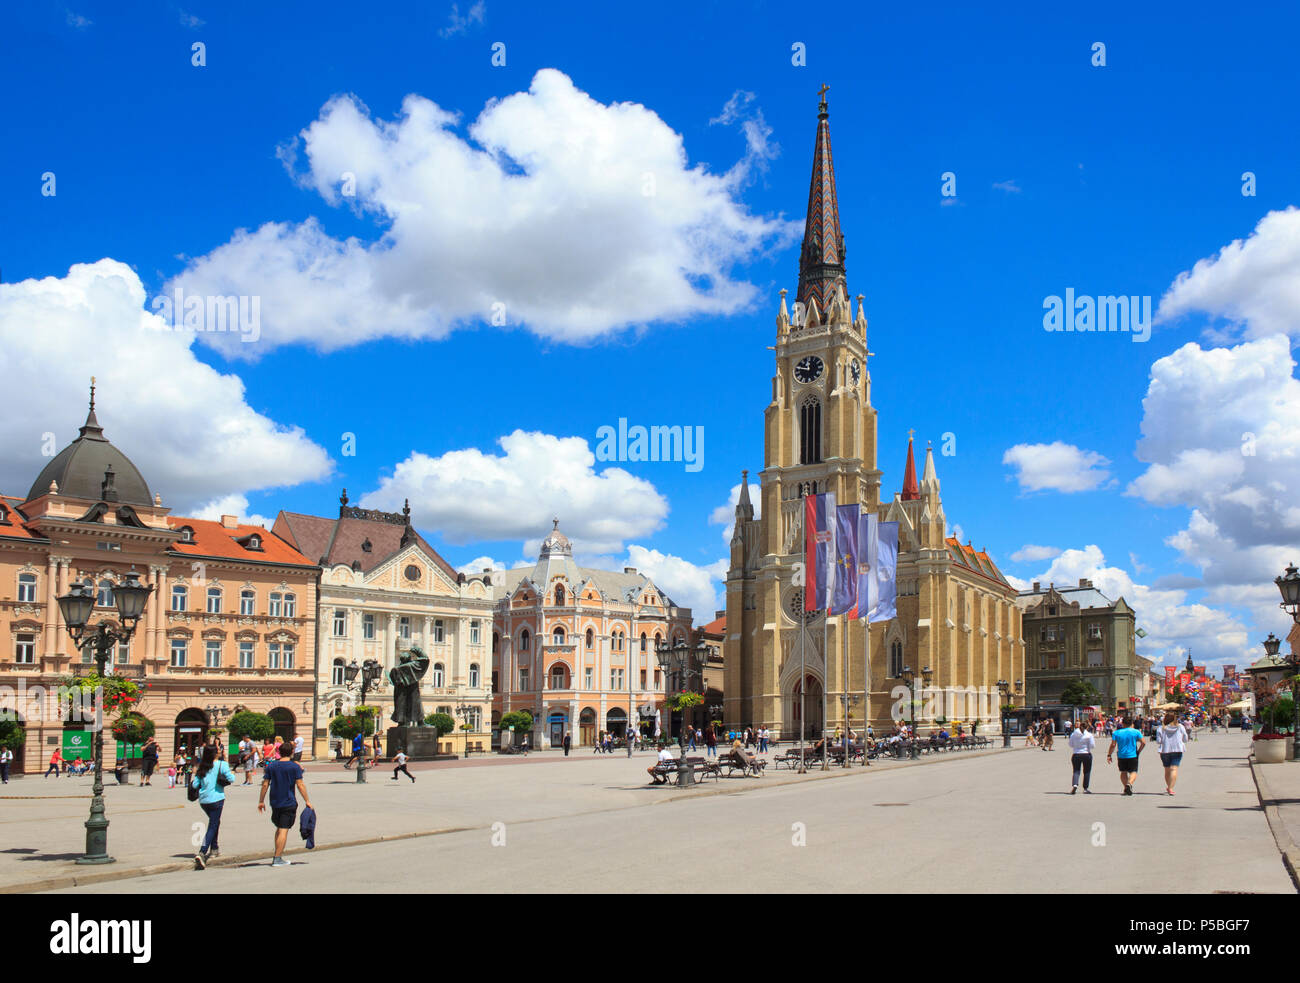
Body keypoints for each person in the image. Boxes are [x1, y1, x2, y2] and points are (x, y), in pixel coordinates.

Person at [258, 740, 315, 867]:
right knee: (284, 829)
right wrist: (307, 800)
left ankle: (277, 853)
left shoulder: (271, 766)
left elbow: (265, 784)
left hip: (274, 802)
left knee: (279, 828)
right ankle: (277, 858)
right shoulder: (294, 767)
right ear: (292, 752)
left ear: (279, 751)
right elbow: (300, 785)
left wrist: (261, 801)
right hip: (288, 802)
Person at [191, 744, 235, 869]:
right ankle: (202, 852)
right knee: (213, 825)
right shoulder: (222, 764)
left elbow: (195, 785)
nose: (220, 751)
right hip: (217, 798)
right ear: (215, 753)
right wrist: (231, 772)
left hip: (204, 800)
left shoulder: (203, 766)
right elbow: (231, 778)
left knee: (215, 822)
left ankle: (214, 848)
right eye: (218, 750)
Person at [1108, 715, 1146, 796]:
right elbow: (1143, 742)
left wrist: (1109, 755)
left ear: (1122, 723)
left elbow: (1113, 745)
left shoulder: (1116, 733)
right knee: (1133, 771)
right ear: (1132, 723)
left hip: (1121, 755)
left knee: (1123, 772)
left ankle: (1126, 787)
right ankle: (1129, 784)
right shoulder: (1136, 732)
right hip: (1133, 755)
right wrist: (1139, 751)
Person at [1155, 712, 1189, 795]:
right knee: (1174, 769)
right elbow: (1185, 739)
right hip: (1177, 749)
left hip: (1164, 750)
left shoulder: (1161, 728)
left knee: (1167, 770)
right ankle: (1170, 788)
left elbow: (1158, 741)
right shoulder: (1180, 727)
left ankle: (1169, 786)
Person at [1068, 720, 1095, 794]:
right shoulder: (1089, 735)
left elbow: (1070, 744)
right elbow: (1092, 746)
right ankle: (1085, 788)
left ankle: (1075, 784)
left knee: (1076, 771)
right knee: (1087, 771)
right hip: (1086, 754)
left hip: (1076, 754)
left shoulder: (1074, 734)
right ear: (1087, 727)